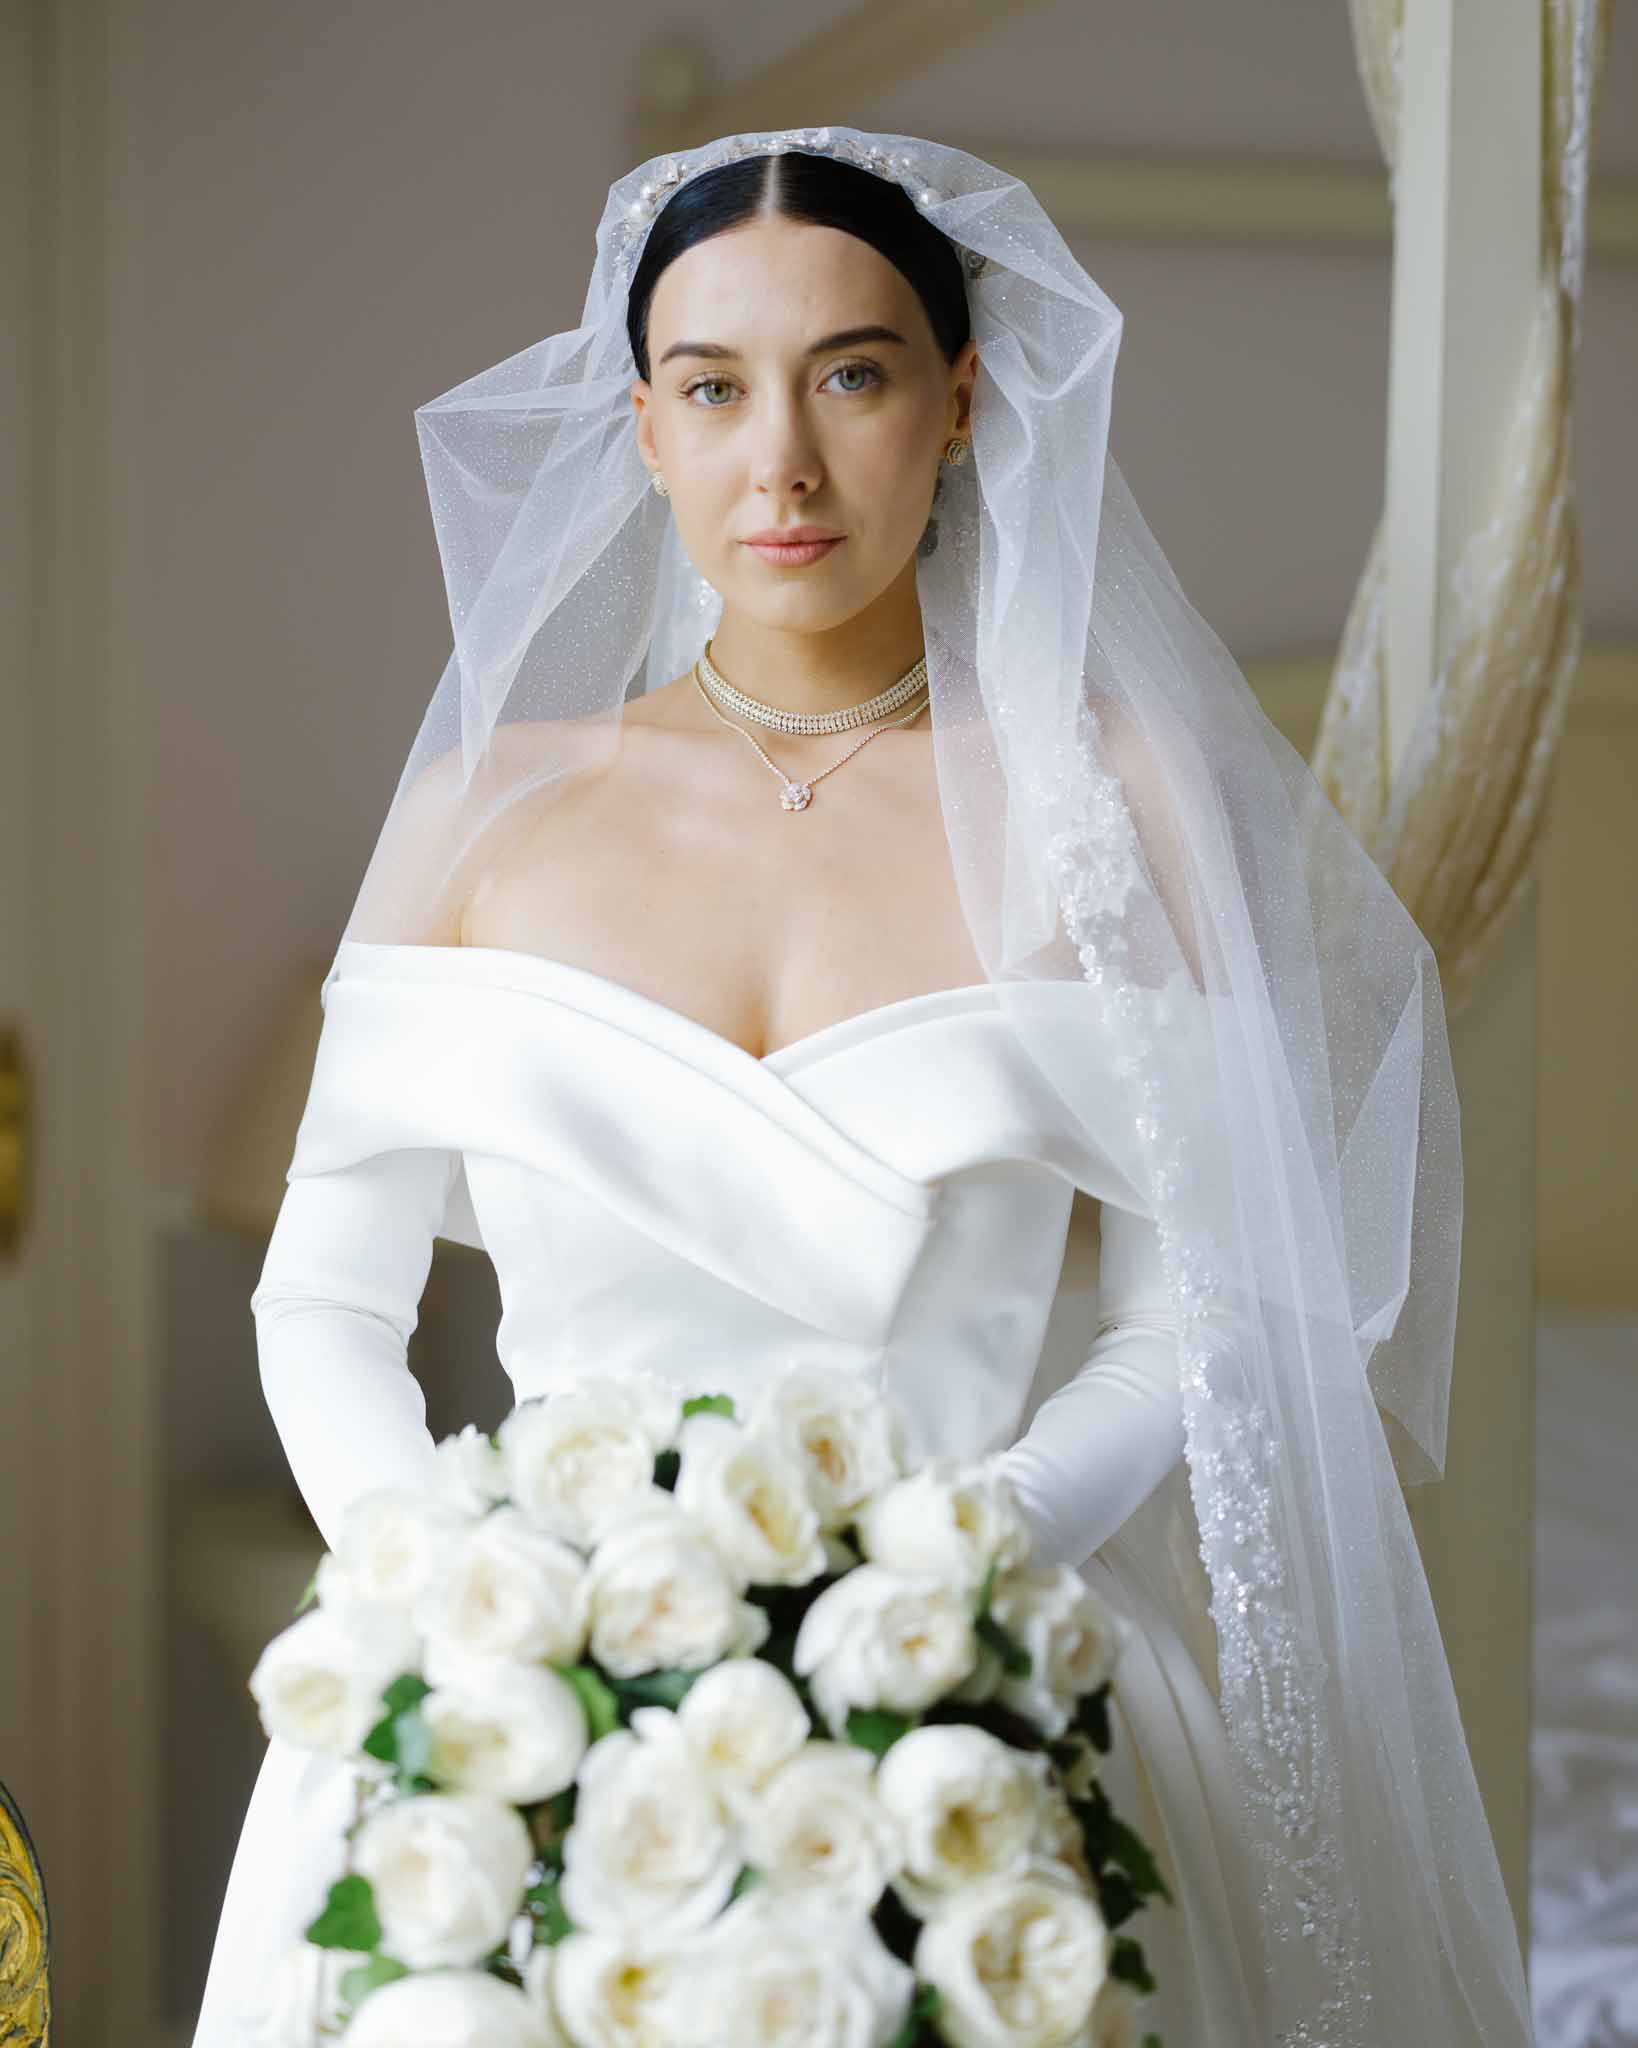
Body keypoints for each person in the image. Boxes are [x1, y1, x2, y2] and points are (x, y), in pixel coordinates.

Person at [190, 128, 1537, 2046]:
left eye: (853, 373)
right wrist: (471, 1605)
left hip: (976, 1653)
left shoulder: (1111, 801)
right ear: (642, 428)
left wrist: (955, 1575)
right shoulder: (488, 807)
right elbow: (327, 1298)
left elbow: (1206, 1303)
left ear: (964, 400)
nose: (784, 464)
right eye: (714, 391)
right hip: (522, 1666)